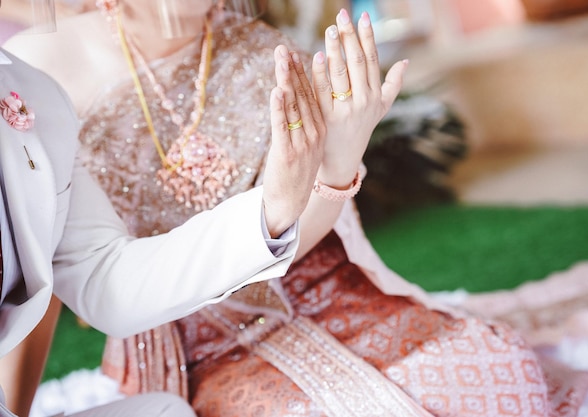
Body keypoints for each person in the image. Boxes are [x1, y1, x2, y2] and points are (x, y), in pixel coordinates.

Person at [4, 1, 588, 417]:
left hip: (315, 295)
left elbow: (295, 233)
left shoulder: (269, 57)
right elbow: (42, 272)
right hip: (188, 342)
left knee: (501, 373)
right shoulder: (34, 72)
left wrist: (340, 159)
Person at [0, 0, 342, 415]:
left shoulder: (30, 94)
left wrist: (276, 208)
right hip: (174, 345)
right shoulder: (48, 63)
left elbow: (99, 274)